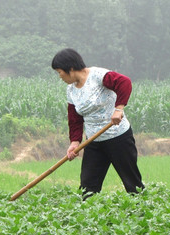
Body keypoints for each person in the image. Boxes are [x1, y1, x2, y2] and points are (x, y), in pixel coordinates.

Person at [51, 48, 144, 199]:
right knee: (87, 188)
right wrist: (75, 141)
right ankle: (87, 220)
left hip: (118, 137)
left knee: (132, 184)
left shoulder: (98, 76)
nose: (60, 76)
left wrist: (118, 109)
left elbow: (124, 82)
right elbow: (74, 118)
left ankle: (143, 213)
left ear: (71, 68)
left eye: (60, 72)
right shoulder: (71, 90)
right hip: (94, 141)